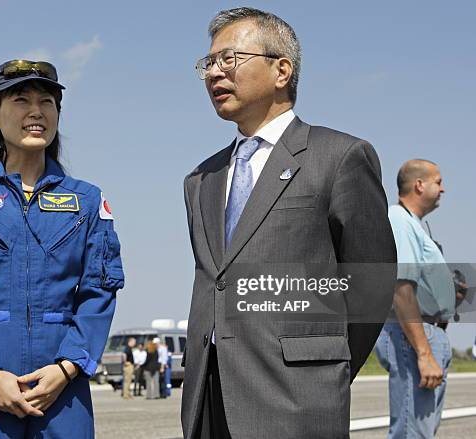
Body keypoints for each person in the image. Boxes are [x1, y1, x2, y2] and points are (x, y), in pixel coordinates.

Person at [182, 7, 396, 438]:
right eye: (208, 63)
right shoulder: (200, 179)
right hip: (209, 398)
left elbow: (371, 281)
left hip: (296, 400)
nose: (214, 73)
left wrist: (321, 367)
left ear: (282, 70)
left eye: (230, 59)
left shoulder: (338, 157)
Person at [0, 59, 125, 438]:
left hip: (61, 392)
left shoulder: (86, 201)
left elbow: (100, 291)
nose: (36, 111)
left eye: (47, 102)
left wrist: (66, 368)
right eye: (21, 100)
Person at [375, 159, 456, 438]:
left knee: (422, 430)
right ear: (419, 185)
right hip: (413, 336)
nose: (443, 189)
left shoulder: (415, 225)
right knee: (412, 433)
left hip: (425, 332)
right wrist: (424, 353)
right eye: (438, 182)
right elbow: (401, 288)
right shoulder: (398, 220)